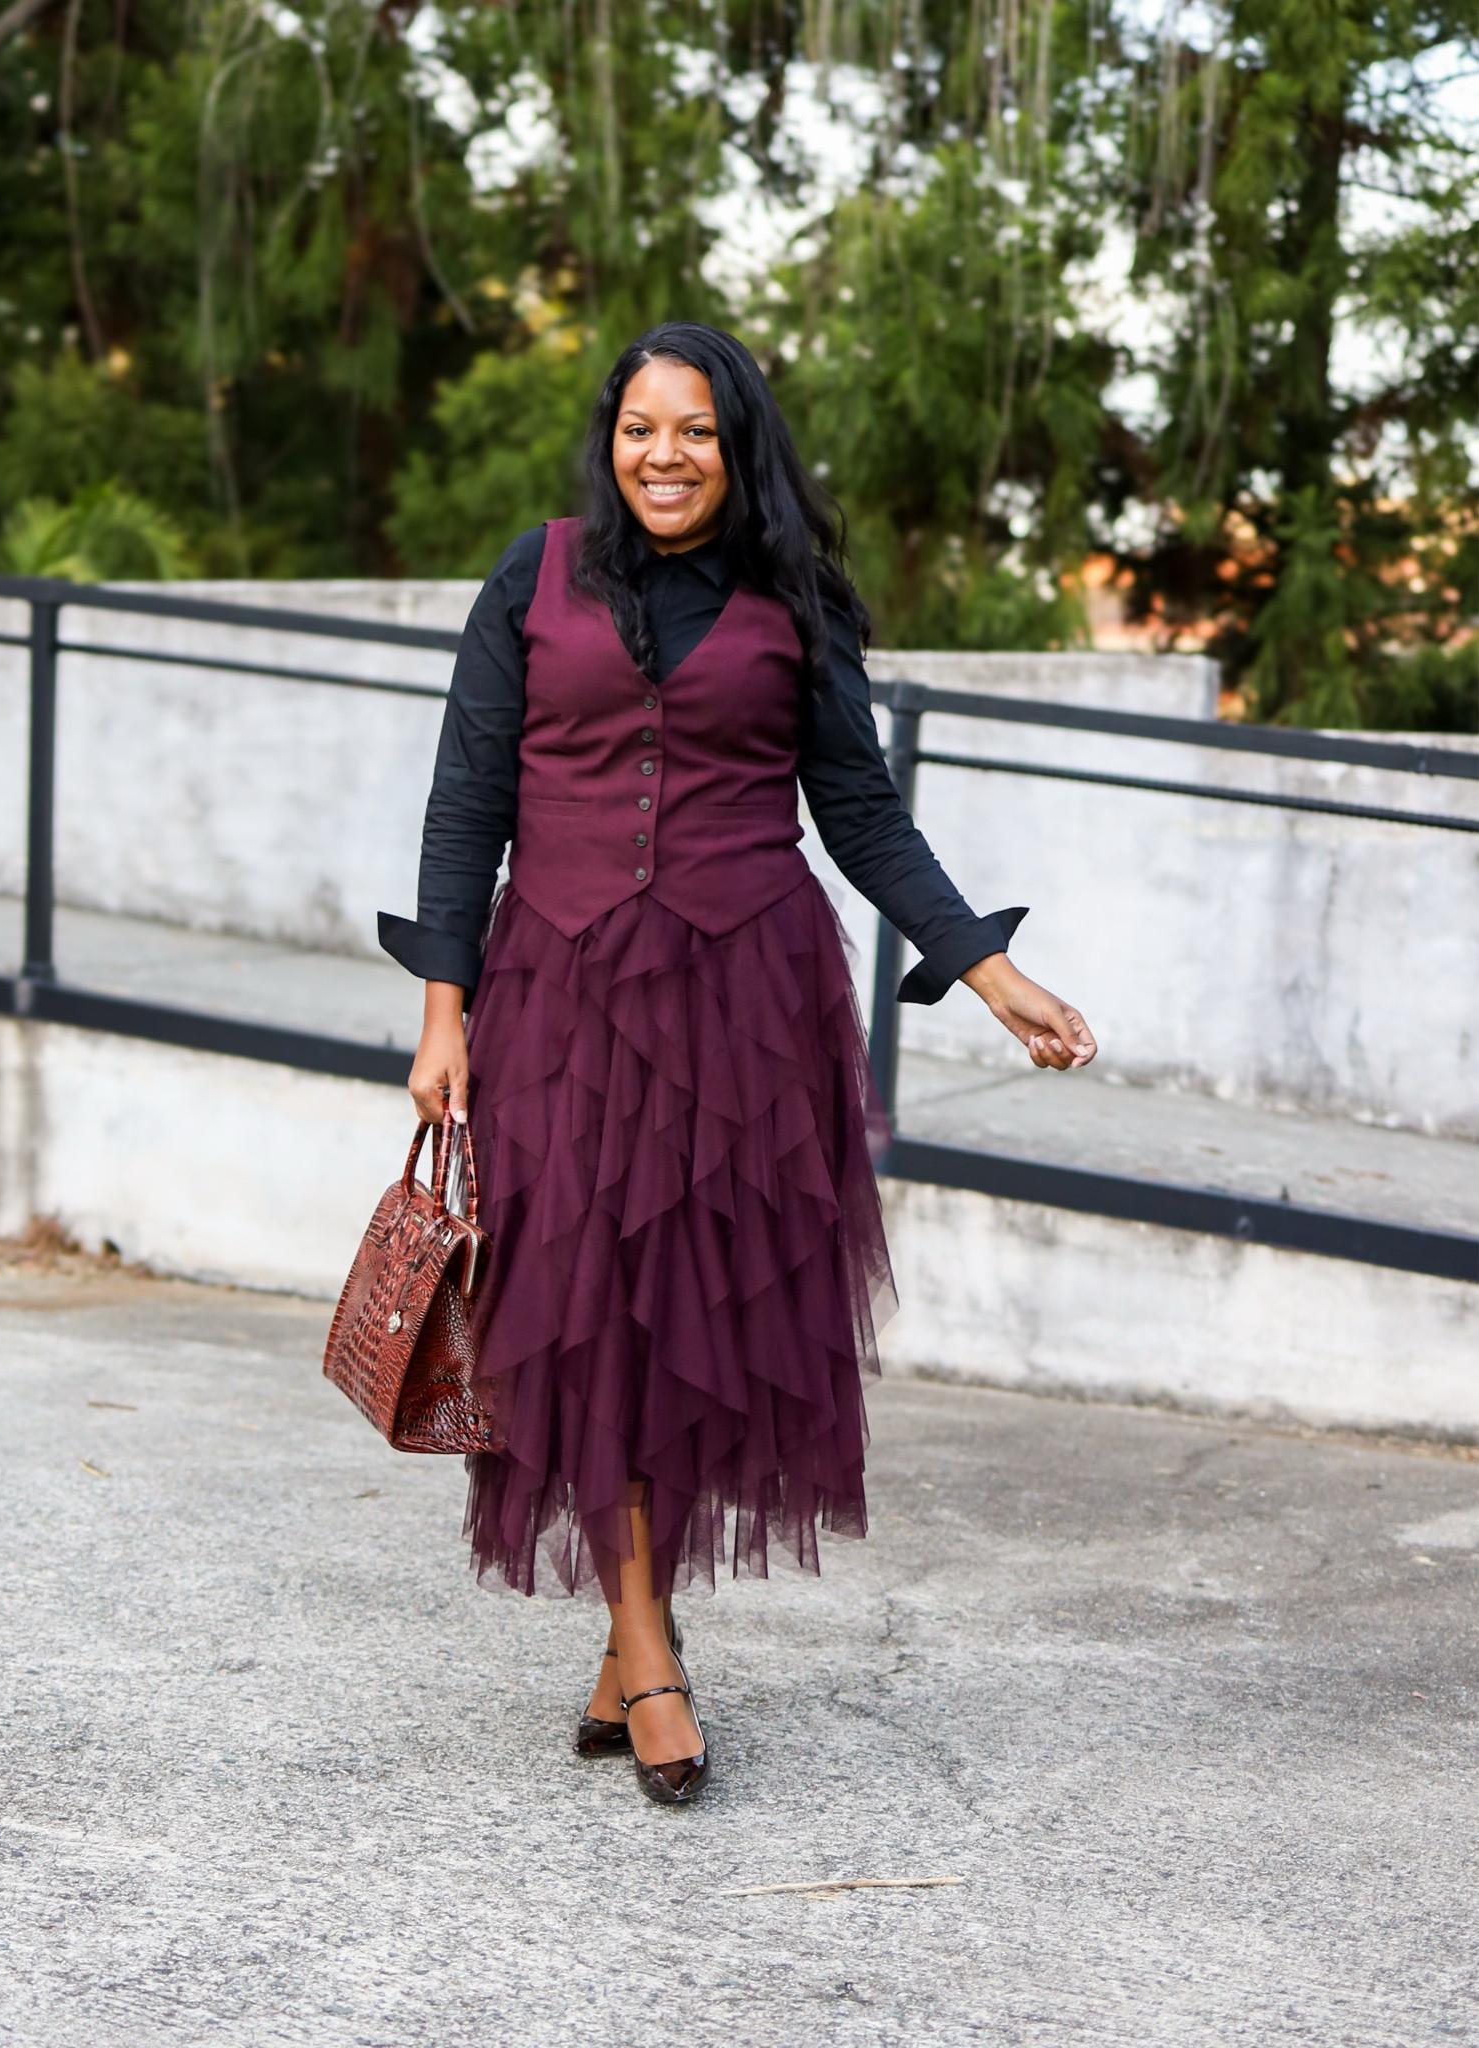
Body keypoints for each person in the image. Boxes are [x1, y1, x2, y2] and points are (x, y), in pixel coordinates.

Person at [380, 322, 1096, 1807]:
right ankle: (645, 1650)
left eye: (695, 431)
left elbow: (860, 810)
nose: (663, 454)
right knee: (580, 1310)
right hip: (558, 997)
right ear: (609, 436)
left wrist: (990, 970)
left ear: (738, 442)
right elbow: (466, 806)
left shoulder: (795, 598)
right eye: (641, 427)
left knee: (685, 1320)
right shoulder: (533, 574)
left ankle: (625, 1631)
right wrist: (441, 1012)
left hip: (741, 1004)